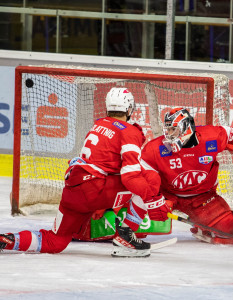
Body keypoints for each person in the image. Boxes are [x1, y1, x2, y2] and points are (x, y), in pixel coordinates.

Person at [0, 87, 158, 257]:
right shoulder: (129, 131)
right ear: (129, 109)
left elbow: (106, 166)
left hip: (73, 190)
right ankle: (125, 239)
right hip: (94, 189)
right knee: (149, 178)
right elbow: (131, 176)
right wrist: (155, 201)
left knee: (55, 241)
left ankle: (8, 240)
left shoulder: (98, 124)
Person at [139, 107, 233, 244]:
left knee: (228, 230)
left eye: (173, 129)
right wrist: (153, 200)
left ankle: (202, 227)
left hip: (203, 197)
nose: (168, 134)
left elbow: (231, 133)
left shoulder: (211, 137)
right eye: (167, 129)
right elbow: (143, 174)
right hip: (167, 197)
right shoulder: (155, 149)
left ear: (186, 128)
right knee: (137, 224)